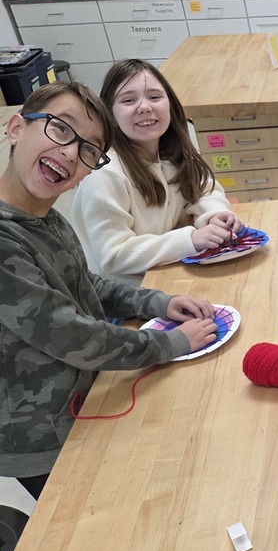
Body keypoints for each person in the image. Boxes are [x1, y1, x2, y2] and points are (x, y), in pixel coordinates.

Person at [0, 82, 220, 501]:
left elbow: (86, 284)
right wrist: (170, 342)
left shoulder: (45, 218)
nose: (70, 153)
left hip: (86, 399)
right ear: (15, 128)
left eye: (87, 149)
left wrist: (158, 301)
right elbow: (72, 334)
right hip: (40, 436)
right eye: (61, 129)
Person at [70, 59, 244, 287]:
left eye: (154, 97)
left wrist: (214, 214)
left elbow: (203, 188)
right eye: (128, 100)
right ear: (109, 114)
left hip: (167, 275)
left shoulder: (172, 151)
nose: (144, 107)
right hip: (127, 299)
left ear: (170, 104)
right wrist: (190, 239)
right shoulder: (104, 174)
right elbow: (113, 256)